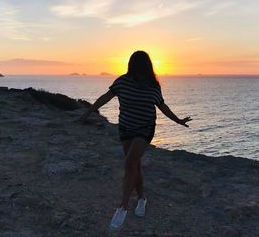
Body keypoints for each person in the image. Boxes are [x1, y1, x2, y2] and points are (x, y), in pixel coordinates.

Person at [77, 50, 192, 229]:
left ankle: (122, 206)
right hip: (125, 128)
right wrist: (87, 112)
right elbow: (105, 97)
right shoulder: (122, 81)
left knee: (130, 162)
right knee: (134, 165)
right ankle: (142, 199)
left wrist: (178, 120)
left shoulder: (153, 86)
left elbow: (162, 106)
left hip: (145, 129)